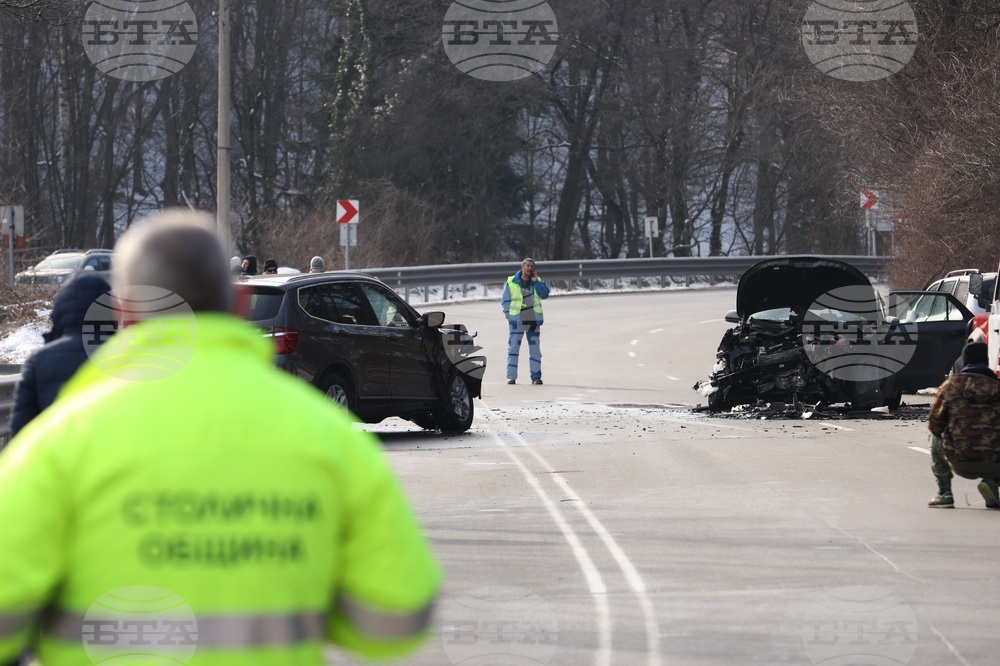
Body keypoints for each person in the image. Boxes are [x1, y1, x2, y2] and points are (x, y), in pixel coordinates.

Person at [0, 209, 440, 664]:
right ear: (235, 305)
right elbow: (399, 617)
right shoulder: (328, 435)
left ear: (126, 313)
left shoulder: (57, 443)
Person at [8, 275, 112, 438]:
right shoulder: (132, 357)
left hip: (58, 459)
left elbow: (21, 437)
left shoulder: (39, 362)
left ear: (60, 312)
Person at [927, 341, 1000, 508]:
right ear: (986, 361)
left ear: (965, 361)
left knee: (933, 437)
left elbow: (934, 425)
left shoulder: (950, 386)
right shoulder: (997, 387)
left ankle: (944, 492)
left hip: (961, 461)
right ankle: (992, 483)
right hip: (997, 464)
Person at [501, 257, 550, 385]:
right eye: (527, 266)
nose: (530, 268)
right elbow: (505, 301)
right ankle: (511, 377)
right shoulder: (511, 281)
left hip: (533, 323)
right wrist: (509, 317)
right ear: (522, 267)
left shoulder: (537, 281)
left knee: (535, 351)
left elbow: (545, 294)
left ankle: (536, 377)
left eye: (532, 267)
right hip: (517, 322)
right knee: (513, 350)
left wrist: (536, 282)